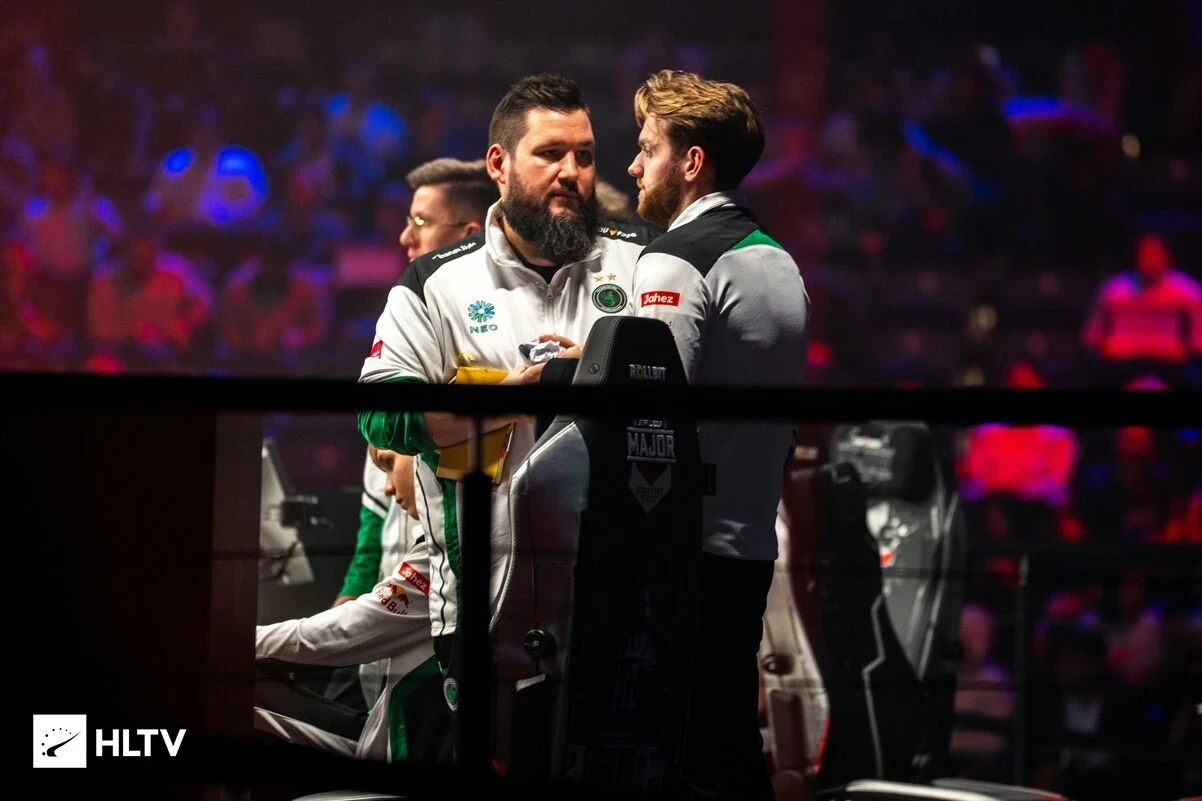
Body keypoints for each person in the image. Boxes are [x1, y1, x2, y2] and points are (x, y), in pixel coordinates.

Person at [357, 73, 653, 744]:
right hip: (478, 608)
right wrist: (504, 401)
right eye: (550, 153)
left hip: (621, 604)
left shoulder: (644, 264)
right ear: (499, 164)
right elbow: (378, 412)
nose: (572, 172)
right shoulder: (435, 281)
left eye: (584, 155)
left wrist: (600, 369)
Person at [625, 69, 811, 800]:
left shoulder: (674, 257)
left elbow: (646, 407)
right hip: (749, 543)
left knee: (675, 755)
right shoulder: (780, 261)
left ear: (691, 161)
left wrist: (553, 377)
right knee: (727, 743)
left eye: (648, 148)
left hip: (680, 549)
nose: (634, 166)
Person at [255, 446, 448, 766]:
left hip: (402, 751)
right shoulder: (445, 542)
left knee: (244, 693)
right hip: (399, 729)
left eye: (389, 464)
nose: (387, 488)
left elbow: (347, 632)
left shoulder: (444, 555)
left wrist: (238, 642)